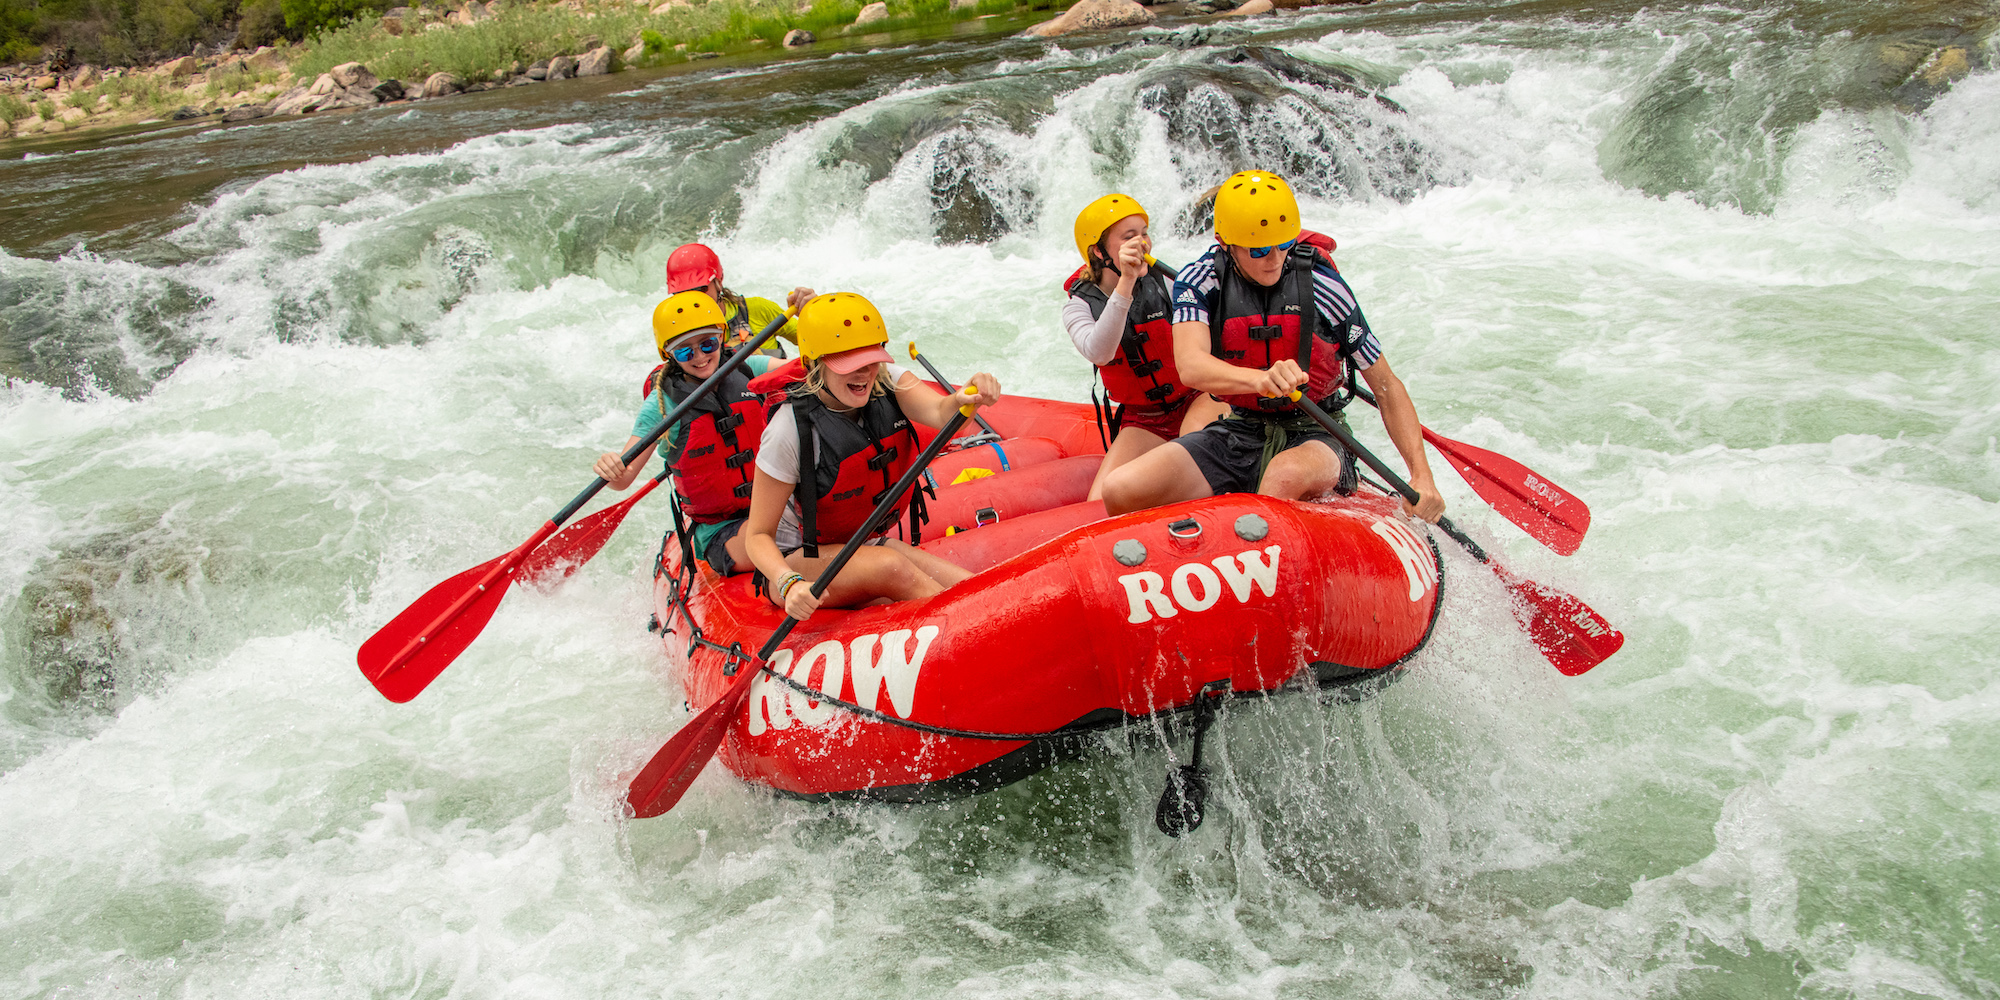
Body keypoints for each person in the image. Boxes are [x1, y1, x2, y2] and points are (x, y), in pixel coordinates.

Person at [1100, 170, 1446, 522]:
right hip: (1240, 427)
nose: (1274, 259)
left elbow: (1386, 385)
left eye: (1283, 244)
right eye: (1260, 249)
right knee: (1121, 490)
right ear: (1225, 242)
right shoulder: (1200, 281)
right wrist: (1259, 379)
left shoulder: (1325, 288)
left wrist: (1422, 475)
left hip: (1316, 432)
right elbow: (1191, 366)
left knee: (1283, 477)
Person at [741, 292, 1002, 621]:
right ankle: (974, 626)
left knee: (956, 580)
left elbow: (941, 412)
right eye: (849, 365)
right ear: (813, 363)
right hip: (797, 562)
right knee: (890, 566)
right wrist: (788, 583)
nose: (865, 373)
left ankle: (1000, 614)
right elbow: (758, 535)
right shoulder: (788, 431)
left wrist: (968, 396)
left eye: (871, 360)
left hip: (862, 547)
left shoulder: (888, 380)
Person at [592, 290, 779, 577]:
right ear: (668, 354)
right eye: (685, 351)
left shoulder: (747, 367)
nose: (701, 357)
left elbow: (806, 368)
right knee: (781, 544)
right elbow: (625, 477)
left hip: (775, 509)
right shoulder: (663, 405)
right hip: (722, 531)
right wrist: (611, 467)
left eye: (708, 343)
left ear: (722, 335)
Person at [1063, 194, 1230, 500]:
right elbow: (1100, 352)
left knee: (1191, 459)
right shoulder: (1077, 306)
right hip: (1144, 418)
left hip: (1197, 398)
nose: (1143, 244)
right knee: (1100, 502)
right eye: (1130, 237)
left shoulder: (1167, 283)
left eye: (1144, 233)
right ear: (1099, 252)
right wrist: (1125, 283)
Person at [665, 242, 814, 354]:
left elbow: (818, 341)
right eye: (684, 294)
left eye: (701, 289)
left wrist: (814, 312)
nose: (694, 299)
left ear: (719, 281)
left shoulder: (759, 309)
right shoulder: (677, 337)